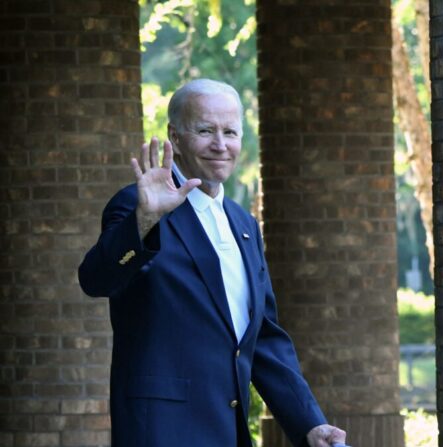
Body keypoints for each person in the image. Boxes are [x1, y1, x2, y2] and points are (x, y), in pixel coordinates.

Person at [79, 79, 347, 447]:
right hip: (161, 430)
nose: (220, 145)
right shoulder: (137, 206)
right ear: (175, 137)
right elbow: (95, 280)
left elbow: (262, 337)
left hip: (229, 430)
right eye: (205, 130)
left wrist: (309, 424)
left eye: (230, 132)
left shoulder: (243, 224)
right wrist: (143, 221)